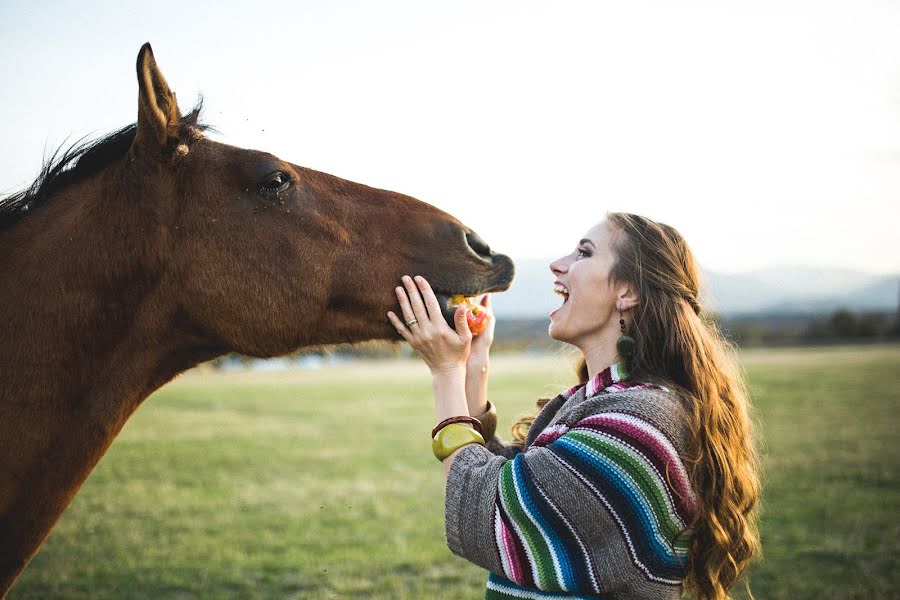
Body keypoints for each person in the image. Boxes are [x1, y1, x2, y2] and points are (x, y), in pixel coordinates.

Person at [387, 213, 760, 600]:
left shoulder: (637, 425)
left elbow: (498, 516)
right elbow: (530, 489)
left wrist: (446, 370)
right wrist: (473, 365)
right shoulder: (605, 402)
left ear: (628, 292)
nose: (558, 264)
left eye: (584, 253)